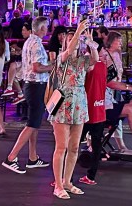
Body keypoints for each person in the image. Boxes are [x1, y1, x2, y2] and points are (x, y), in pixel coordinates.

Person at [50, 22, 96, 199]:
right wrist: (78, 32)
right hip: (63, 104)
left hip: (79, 103)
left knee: (74, 147)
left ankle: (67, 182)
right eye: (69, 40)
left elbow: (95, 60)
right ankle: (58, 185)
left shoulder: (83, 60)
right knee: (61, 147)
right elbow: (69, 51)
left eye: (75, 39)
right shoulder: (62, 57)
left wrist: (91, 43)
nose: (74, 42)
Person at [3, 16, 54, 174]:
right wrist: (53, 66)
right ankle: (11, 157)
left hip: (31, 85)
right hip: (36, 85)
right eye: (46, 27)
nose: (48, 29)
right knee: (32, 123)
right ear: (42, 28)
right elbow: (37, 67)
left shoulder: (29, 41)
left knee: (35, 122)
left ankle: (33, 157)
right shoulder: (36, 44)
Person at [79, 45, 109, 187]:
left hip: (85, 111)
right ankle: (91, 176)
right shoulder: (103, 66)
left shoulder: (86, 67)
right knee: (97, 146)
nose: (104, 54)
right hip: (99, 110)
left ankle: (65, 177)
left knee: (72, 145)